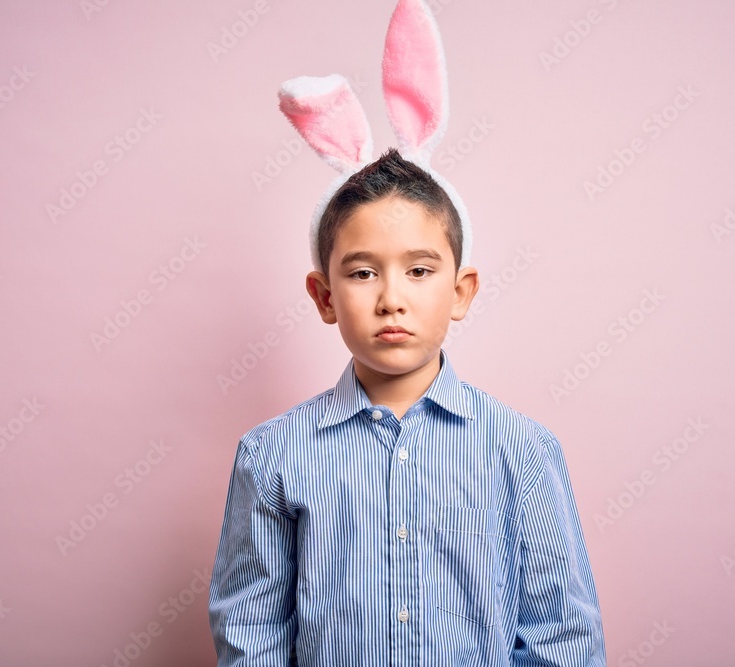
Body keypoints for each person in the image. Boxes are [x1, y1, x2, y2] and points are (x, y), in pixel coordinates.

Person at [209, 2, 605, 664]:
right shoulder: (270, 456)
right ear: (324, 296)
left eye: (420, 270)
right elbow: (252, 637)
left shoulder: (523, 450)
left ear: (460, 291)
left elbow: (561, 636)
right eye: (362, 273)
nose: (392, 297)